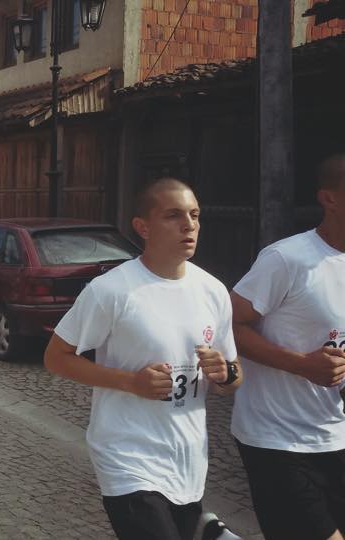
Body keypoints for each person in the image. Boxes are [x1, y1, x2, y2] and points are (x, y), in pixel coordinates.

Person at [43, 178, 242, 540]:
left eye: (195, 215)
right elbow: (56, 358)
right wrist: (131, 382)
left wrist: (225, 373)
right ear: (143, 227)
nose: (189, 225)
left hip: (188, 458)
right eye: (173, 215)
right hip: (127, 457)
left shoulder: (213, 291)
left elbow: (232, 377)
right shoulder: (111, 290)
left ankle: (206, 532)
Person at [229, 154, 345, 540]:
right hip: (276, 438)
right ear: (329, 198)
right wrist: (300, 364)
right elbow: (230, 323)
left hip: (335, 434)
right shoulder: (287, 258)